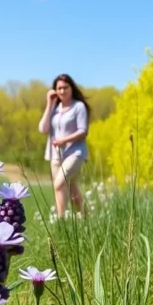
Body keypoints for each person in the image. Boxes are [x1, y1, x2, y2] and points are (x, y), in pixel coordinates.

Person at [39, 74, 90, 218]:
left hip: (75, 153)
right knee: (71, 189)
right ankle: (85, 219)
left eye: (65, 87)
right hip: (55, 156)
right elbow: (43, 129)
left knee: (59, 184)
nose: (62, 91)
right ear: (55, 91)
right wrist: (49, 103)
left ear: (71, 88)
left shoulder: (78, 107)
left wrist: (63, 140)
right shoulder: (54, 109)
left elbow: (83, 131)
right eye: (59, 88)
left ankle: (61, 222)